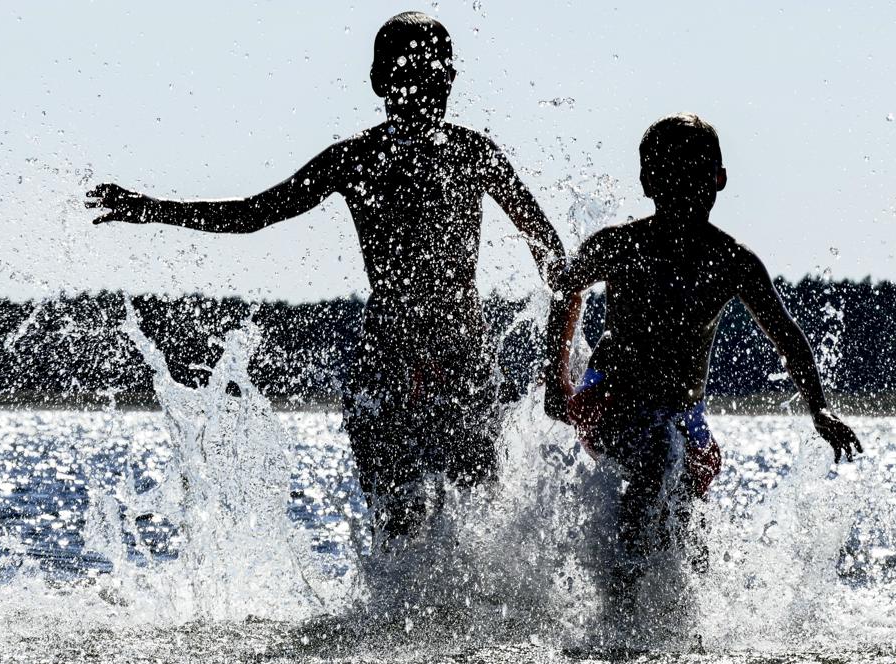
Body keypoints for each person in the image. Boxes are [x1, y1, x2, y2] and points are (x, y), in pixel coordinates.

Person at [87, 11, 566, 545]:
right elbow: (253, 213)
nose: (431, 84)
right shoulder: (386, 156)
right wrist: (155, 209)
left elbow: (549, 250)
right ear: (383, 82)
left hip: (435, 347)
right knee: (451, 505)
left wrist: (562, 335)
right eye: (423, 72)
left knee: (450, 505)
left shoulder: (422, 155)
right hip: (416, 346)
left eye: (435, 72)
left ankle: (413, 607)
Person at [543, 112, 862, 597]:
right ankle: (618, 611)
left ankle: (683, 623)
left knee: (688, 516)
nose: (683, 189)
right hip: (608, 397)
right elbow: (566, 290)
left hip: (683, 411)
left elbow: (787, 336)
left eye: (695, 175)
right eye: (669, 176)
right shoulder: (621, 245)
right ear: (648, 182)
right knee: (656, 460)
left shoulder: (731, 261)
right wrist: (556, 380)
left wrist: (818, 407)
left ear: (719, 180)